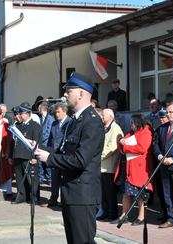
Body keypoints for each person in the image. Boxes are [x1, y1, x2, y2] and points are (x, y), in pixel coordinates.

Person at [35, 72, 105, 244]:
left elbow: (80, 160)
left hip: (82, 196)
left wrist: (49, 159)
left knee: (83, 241)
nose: (65, 94)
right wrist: (38, 147)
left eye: (69, 90)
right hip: (71, 194)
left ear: (81, 93)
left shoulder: (92, 122)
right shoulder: (76, 121)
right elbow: (63, 151)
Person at [113, 114, 153, 226]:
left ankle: (141, 217)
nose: (131, 125)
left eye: (133, 123)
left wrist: (125, 147)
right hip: (129, 168)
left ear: (138, 122)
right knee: (126, 193)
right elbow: (122, 142)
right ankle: (124, 216)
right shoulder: (132, 133)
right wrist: (121, 141)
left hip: (140, 169)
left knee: (140, 194)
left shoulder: (146, 132)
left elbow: (142, 148)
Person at [10, 103, 41, 204]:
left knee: (31, 178)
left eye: (21, 113)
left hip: (28, 155)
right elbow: (12, 142)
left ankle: (33, 197)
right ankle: (21, 196)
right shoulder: (17, 126)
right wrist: (11, 155)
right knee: (19, 178)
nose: (19, 115)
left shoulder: (34, 125)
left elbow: (36, 142)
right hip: (18, 154)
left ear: (27, 113)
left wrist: (35, 157)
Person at [42, 102, 72, 207]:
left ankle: (64, 200)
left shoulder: (70, 122)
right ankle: (53, 198)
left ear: (64, 111)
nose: (56, 114)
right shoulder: (54, 123)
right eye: (55, 112)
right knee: (55, 178)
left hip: (64, 155)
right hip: (54, 154)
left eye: (58, 112)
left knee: (64, 178)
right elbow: (51, 139)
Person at [97, 109, 123, 222]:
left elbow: (112, 147)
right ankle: (106, 211)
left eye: (103, 115)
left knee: (110, 192)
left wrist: (98, 156)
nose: (101, 116)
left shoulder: (115, 128)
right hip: (102, 166)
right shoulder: (104, 128)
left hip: (109, 166)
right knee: (104, 192)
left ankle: (113, 213)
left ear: (111, 116)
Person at [38, 102, 54, 185]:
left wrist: (42, 139)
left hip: (47, 143)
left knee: (47, 161)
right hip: (40, 142)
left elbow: (48, 131)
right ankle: (41, 177)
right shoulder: (40, 118)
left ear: (41, 109)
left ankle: (49, 178)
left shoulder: (50, 118)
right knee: (40, 161)